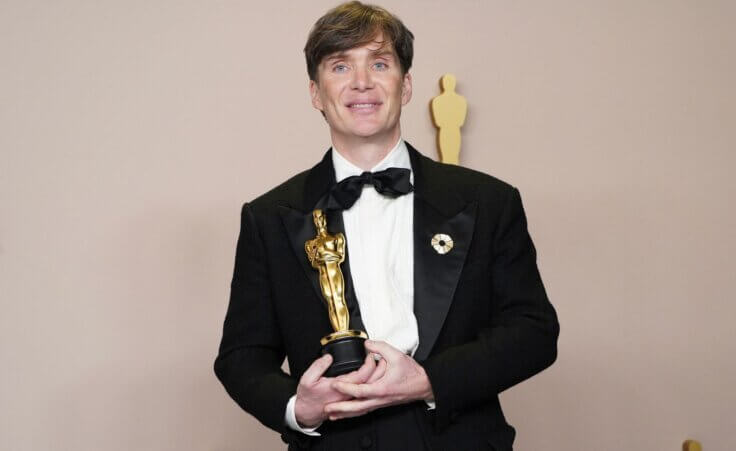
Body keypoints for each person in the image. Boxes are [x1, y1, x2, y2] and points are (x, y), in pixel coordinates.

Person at [214, 2, 559, 450]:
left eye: (380, 63)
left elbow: (534, 331)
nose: (362, 82)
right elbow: (242, 358)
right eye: (340, 66)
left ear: (406, 84)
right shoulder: (269, 217)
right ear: (316, 92)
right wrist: (298, 408)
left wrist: (428, 380)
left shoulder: (490, 201)